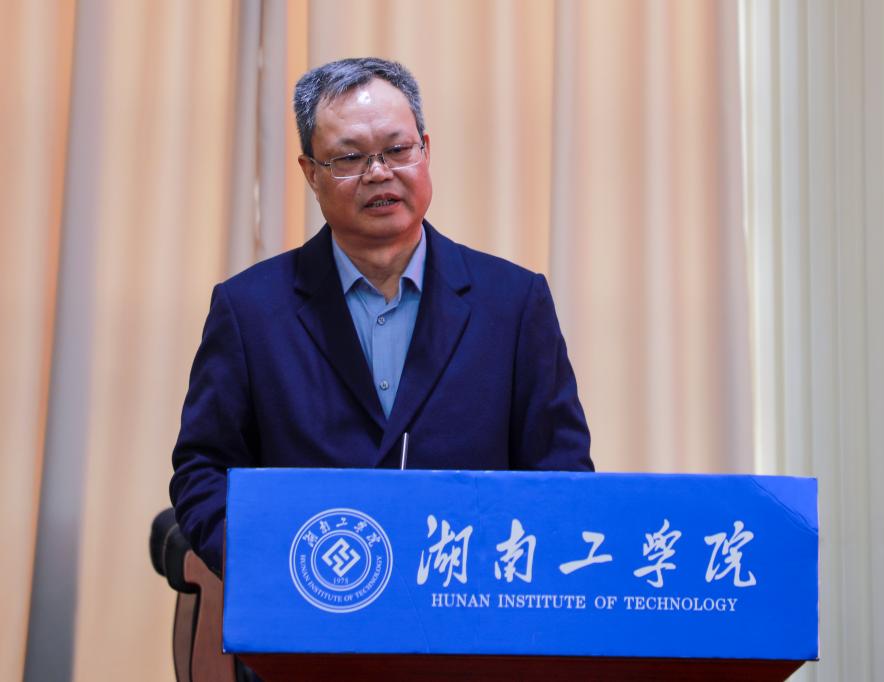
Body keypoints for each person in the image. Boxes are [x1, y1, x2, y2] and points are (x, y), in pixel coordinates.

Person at [170, 57, 592, 574]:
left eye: (397, 149)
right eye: (350, 157)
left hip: (471, 602)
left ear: (425, 150)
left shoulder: (514, 302)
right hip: (312, 603)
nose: (379, 173)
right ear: (311, 174)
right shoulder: (249, 311)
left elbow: (562, 473)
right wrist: (267, 568)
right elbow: (203, 471)